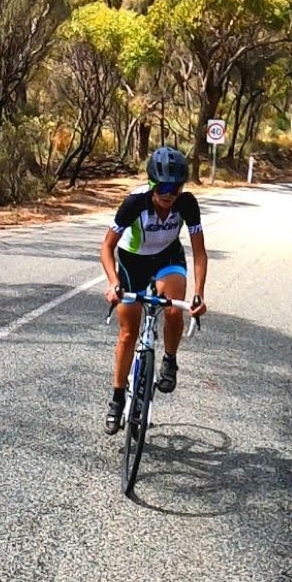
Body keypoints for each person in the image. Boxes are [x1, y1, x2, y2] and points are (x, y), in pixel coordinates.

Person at [100, 146, 208, 435]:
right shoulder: (134, 203)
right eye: (162, 187)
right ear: (151, 184)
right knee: (127, 332)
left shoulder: (187, 204)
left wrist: (199, 294)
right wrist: (113, 283)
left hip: (167, 257)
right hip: (132, 261)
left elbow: (199, 253)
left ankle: (170, 360)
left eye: (175, 187)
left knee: (174, 309)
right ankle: (117, 397)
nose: (169, 194)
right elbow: (107, 247)